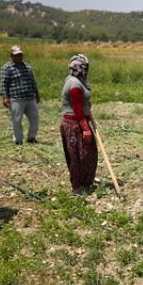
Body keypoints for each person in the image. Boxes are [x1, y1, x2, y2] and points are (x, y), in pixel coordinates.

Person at [60, 53, 98, 193]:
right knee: (77, 157)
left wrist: (87, 104)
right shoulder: (74, 84)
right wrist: (85, 129)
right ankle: (77, 186)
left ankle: (86, 182)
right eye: (84, 67)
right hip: (74, 124)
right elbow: (77, 108)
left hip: (81, 120)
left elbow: (81, 102)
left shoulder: (79, 81)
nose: (86, 70)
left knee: (88, 154)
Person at [0, 44, 40, 144]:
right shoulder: (6, 68)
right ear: (11, 56)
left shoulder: (27, 67)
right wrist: (5, 97)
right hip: (16, 98)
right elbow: (4, 83)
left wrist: (37, 93)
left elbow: (32, 81)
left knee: (34, 118)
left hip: (30, 97)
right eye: (16, 55)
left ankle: (31, 138)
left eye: (20, 55)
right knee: (17, 120)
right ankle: (18, 140)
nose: (19, 57)